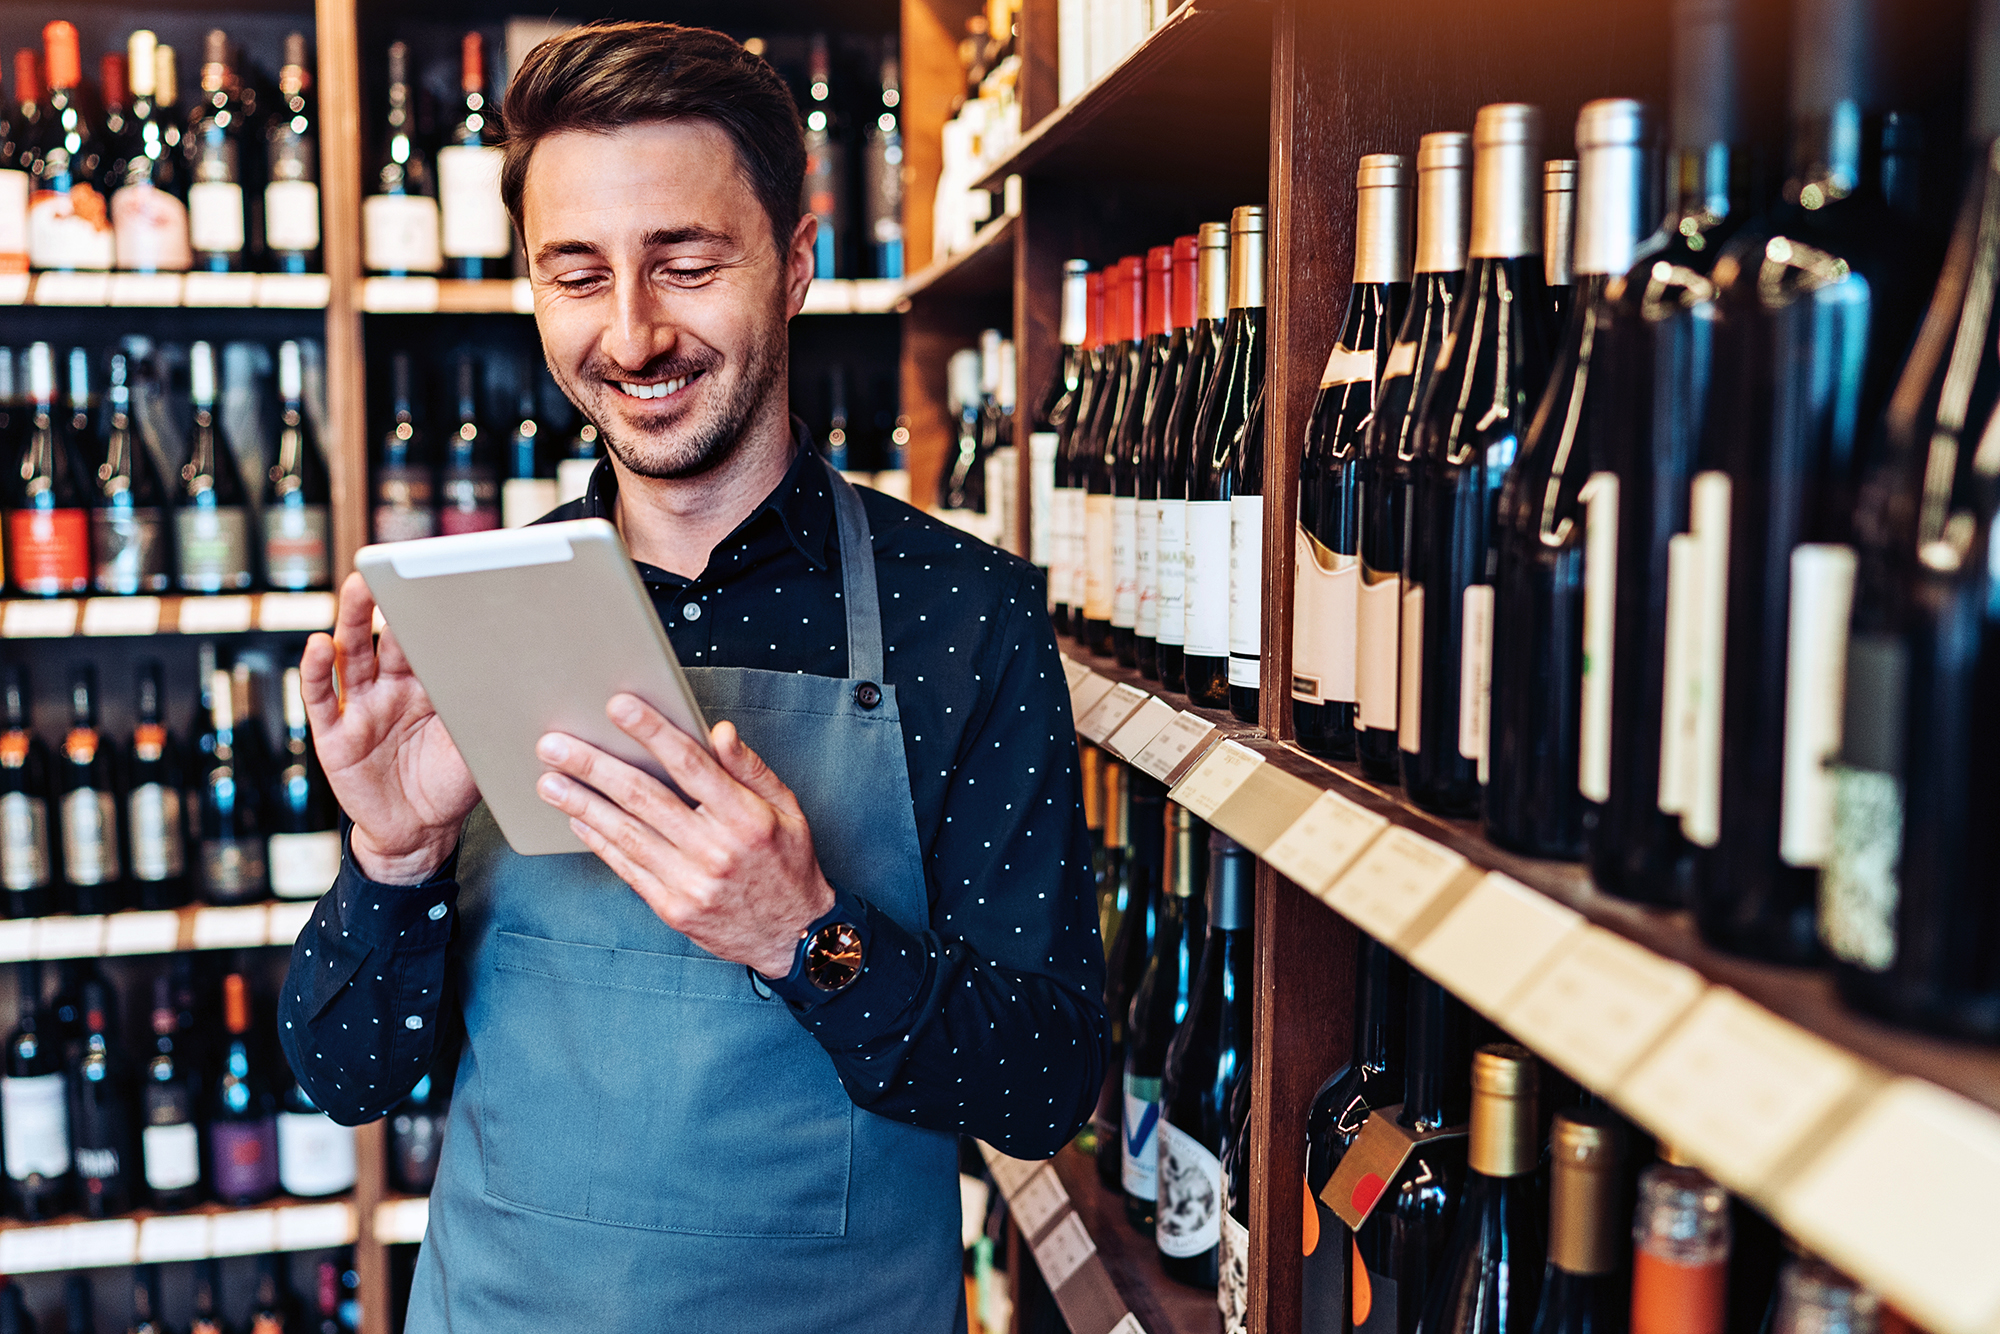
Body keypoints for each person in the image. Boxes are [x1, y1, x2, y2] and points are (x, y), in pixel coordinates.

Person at [277, 22, 1105, 1332]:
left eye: (686, 262)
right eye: (577, 274)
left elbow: (1048, 1081)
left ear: (796, 267)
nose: (631, 332)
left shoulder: (965, 615)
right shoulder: (472, 612)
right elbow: (348, 1078)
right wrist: (391, 858)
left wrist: (806, 935)